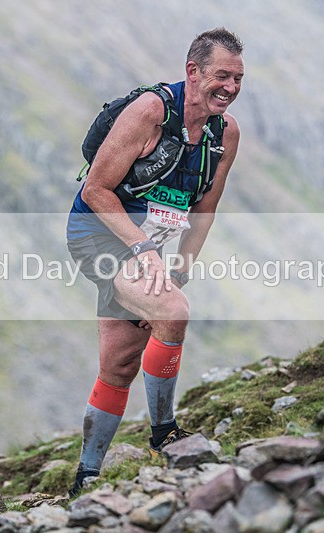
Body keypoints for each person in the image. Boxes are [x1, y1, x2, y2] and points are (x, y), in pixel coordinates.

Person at [65, 27, 244, 496]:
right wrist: (145, 253)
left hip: (151, 246)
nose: (231, 87)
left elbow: (204, 209)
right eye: (221, 76)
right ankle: (165, 434)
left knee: (119, 365)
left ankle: (85, 479)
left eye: (239, 78)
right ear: (193, 72)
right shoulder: (150, 112)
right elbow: (95, 190)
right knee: (173, 310)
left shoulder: (226, 135)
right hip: (98, 236)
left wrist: (180, 267)